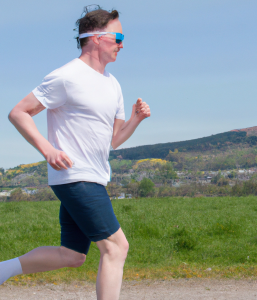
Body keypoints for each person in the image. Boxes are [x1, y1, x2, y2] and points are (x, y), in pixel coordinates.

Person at [1, 5, 150, 300]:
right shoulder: (67, 77)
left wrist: (135, 119)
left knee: (72, 255)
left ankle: (2, 270)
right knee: (116, 247)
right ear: (95, 38)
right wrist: (48, 150)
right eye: (117, 36)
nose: (122, 44)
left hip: (94, 176)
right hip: (73, 175)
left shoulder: (113, 84)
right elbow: (18, 112)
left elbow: (114, 140)